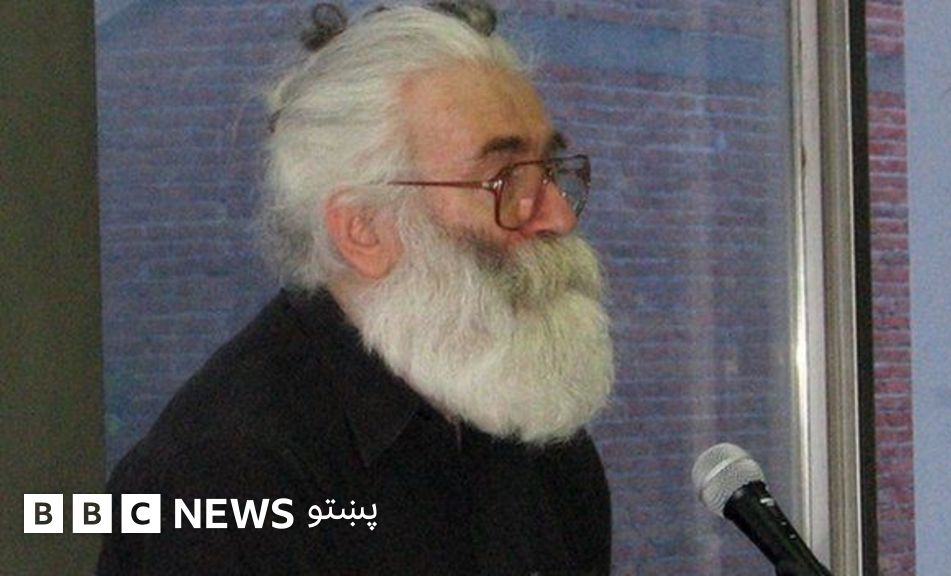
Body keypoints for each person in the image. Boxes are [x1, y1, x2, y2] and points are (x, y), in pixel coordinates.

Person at [97, 1, 615, 574]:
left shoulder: (536, 434)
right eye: (505, 181)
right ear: (364, 229)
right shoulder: (220, 478)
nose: (557, 215)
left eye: (551, 170)